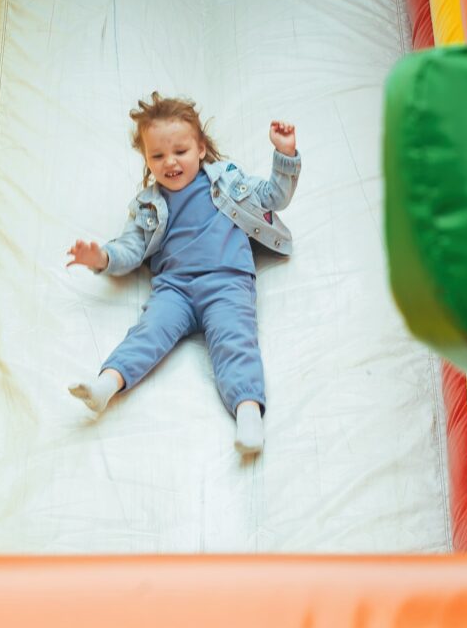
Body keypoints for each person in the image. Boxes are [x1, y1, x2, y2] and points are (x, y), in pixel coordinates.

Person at [67, 91, 301, 456]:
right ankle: (105, 386)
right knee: (148, 333)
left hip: (226, 282)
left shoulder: (226, 181)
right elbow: (129, 250)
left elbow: (273, 197)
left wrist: (284, 155)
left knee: (234, 341)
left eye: (180, 151)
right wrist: (101, 257)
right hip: (174, 289)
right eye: (157, 155)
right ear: (146, 159)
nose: (170, 162)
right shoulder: (148, 204)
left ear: (201, 149)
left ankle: (248, 414)